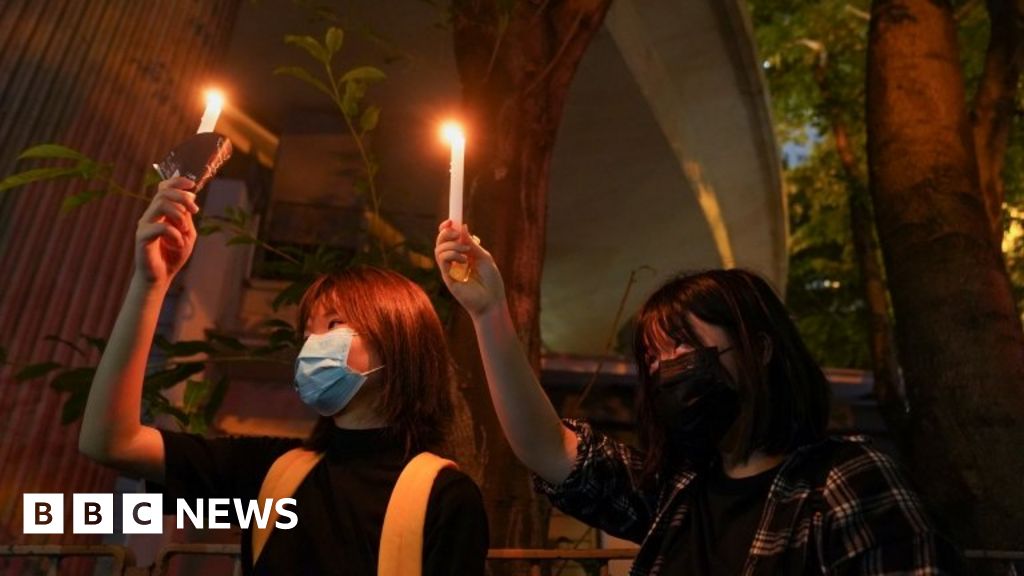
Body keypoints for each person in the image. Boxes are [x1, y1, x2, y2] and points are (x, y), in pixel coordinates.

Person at [435, 221, 962, 575]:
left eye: (684, 344)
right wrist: (489, 312)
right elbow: (547, 448)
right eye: (654, 359)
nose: (668, 371)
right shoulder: (678, 493)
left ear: (758, 348)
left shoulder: (843, 481)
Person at [79, 177, 488, 576]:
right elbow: (111, 442)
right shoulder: (271, 472)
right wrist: (151, 284)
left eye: (334, 324)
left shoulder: (445, 497)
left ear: (400, 346)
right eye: (307, 331)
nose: (312, 345)